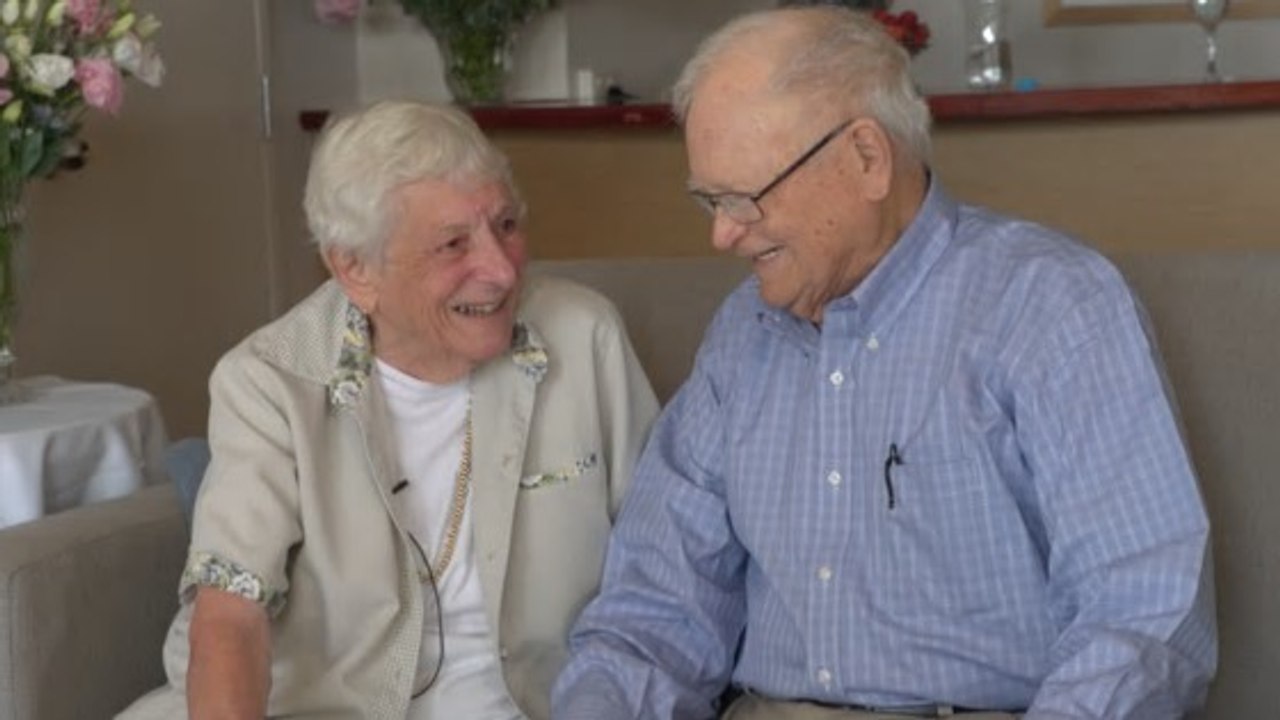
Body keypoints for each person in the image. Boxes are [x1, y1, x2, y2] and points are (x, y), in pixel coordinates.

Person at [553, 7, 1216, 720]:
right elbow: (653, 617)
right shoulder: (742, 335)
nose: (722, 235)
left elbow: (1144, 615)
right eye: (709, 201)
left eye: (745, 198)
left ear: (866, 158)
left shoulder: (1049, 306)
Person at [119, 100, 659, 719]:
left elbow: (660, 567)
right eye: (453, 244)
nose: (501, 270)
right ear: (355, 269)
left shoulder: (582, 336)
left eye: (507, 225)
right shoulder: (270, 381)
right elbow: (230, 614)